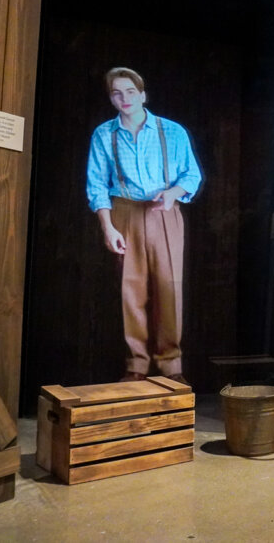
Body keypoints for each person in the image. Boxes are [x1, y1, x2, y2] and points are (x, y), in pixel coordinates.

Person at [86, 67, 202, 384]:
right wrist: (108, 227)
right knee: (130, 290)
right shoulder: (104, 135)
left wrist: (174, 193)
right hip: (124, 212)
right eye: (116, 93)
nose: (124, 99)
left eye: (130, 92)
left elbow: (191, 175)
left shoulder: (173, 132)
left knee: (168, 286)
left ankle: (171, 366)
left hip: (164, 211)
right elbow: (96, 184)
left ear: (143, 95)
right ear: (111, 97)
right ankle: (136, 364)